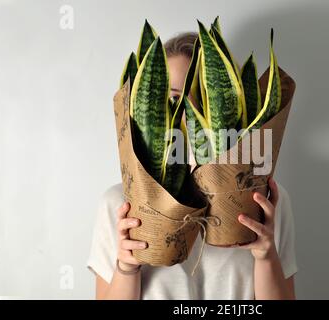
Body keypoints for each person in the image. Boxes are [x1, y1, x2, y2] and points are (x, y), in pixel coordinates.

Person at [87, 32, 298, 300]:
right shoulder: (120, 204)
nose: (188, 114)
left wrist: (266, 255)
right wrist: (127, 267)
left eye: (200, 100)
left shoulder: (264, 202)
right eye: (175, 100)